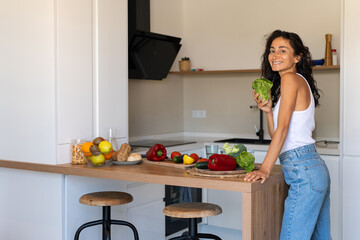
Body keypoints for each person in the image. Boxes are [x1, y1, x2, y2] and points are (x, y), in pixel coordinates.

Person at [244, 30, 331, 240]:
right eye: (272, 51)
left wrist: (264, 169)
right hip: (312, 168)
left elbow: (282, 132)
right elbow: (278, 133)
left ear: (297, 57)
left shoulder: (290, 79)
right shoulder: (295, 81)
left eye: (283, 51)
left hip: (304, 171)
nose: (275, 55)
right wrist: (267, 111)